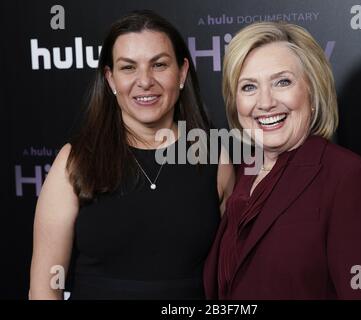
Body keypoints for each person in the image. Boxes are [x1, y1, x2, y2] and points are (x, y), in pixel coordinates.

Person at [29, 10, 234, 300]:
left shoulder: (216, 157)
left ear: (182, 72)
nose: (145, 81)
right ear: (111, 79)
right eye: (128, 68)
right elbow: (44, 289)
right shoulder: (75, 160)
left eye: (159, 65)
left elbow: (233, 274)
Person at [203, 22, 361, 299]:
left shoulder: (349, 178)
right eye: (249, 87)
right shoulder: (242, 174)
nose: (265, 102)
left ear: (313, 93)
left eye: (282, 82)